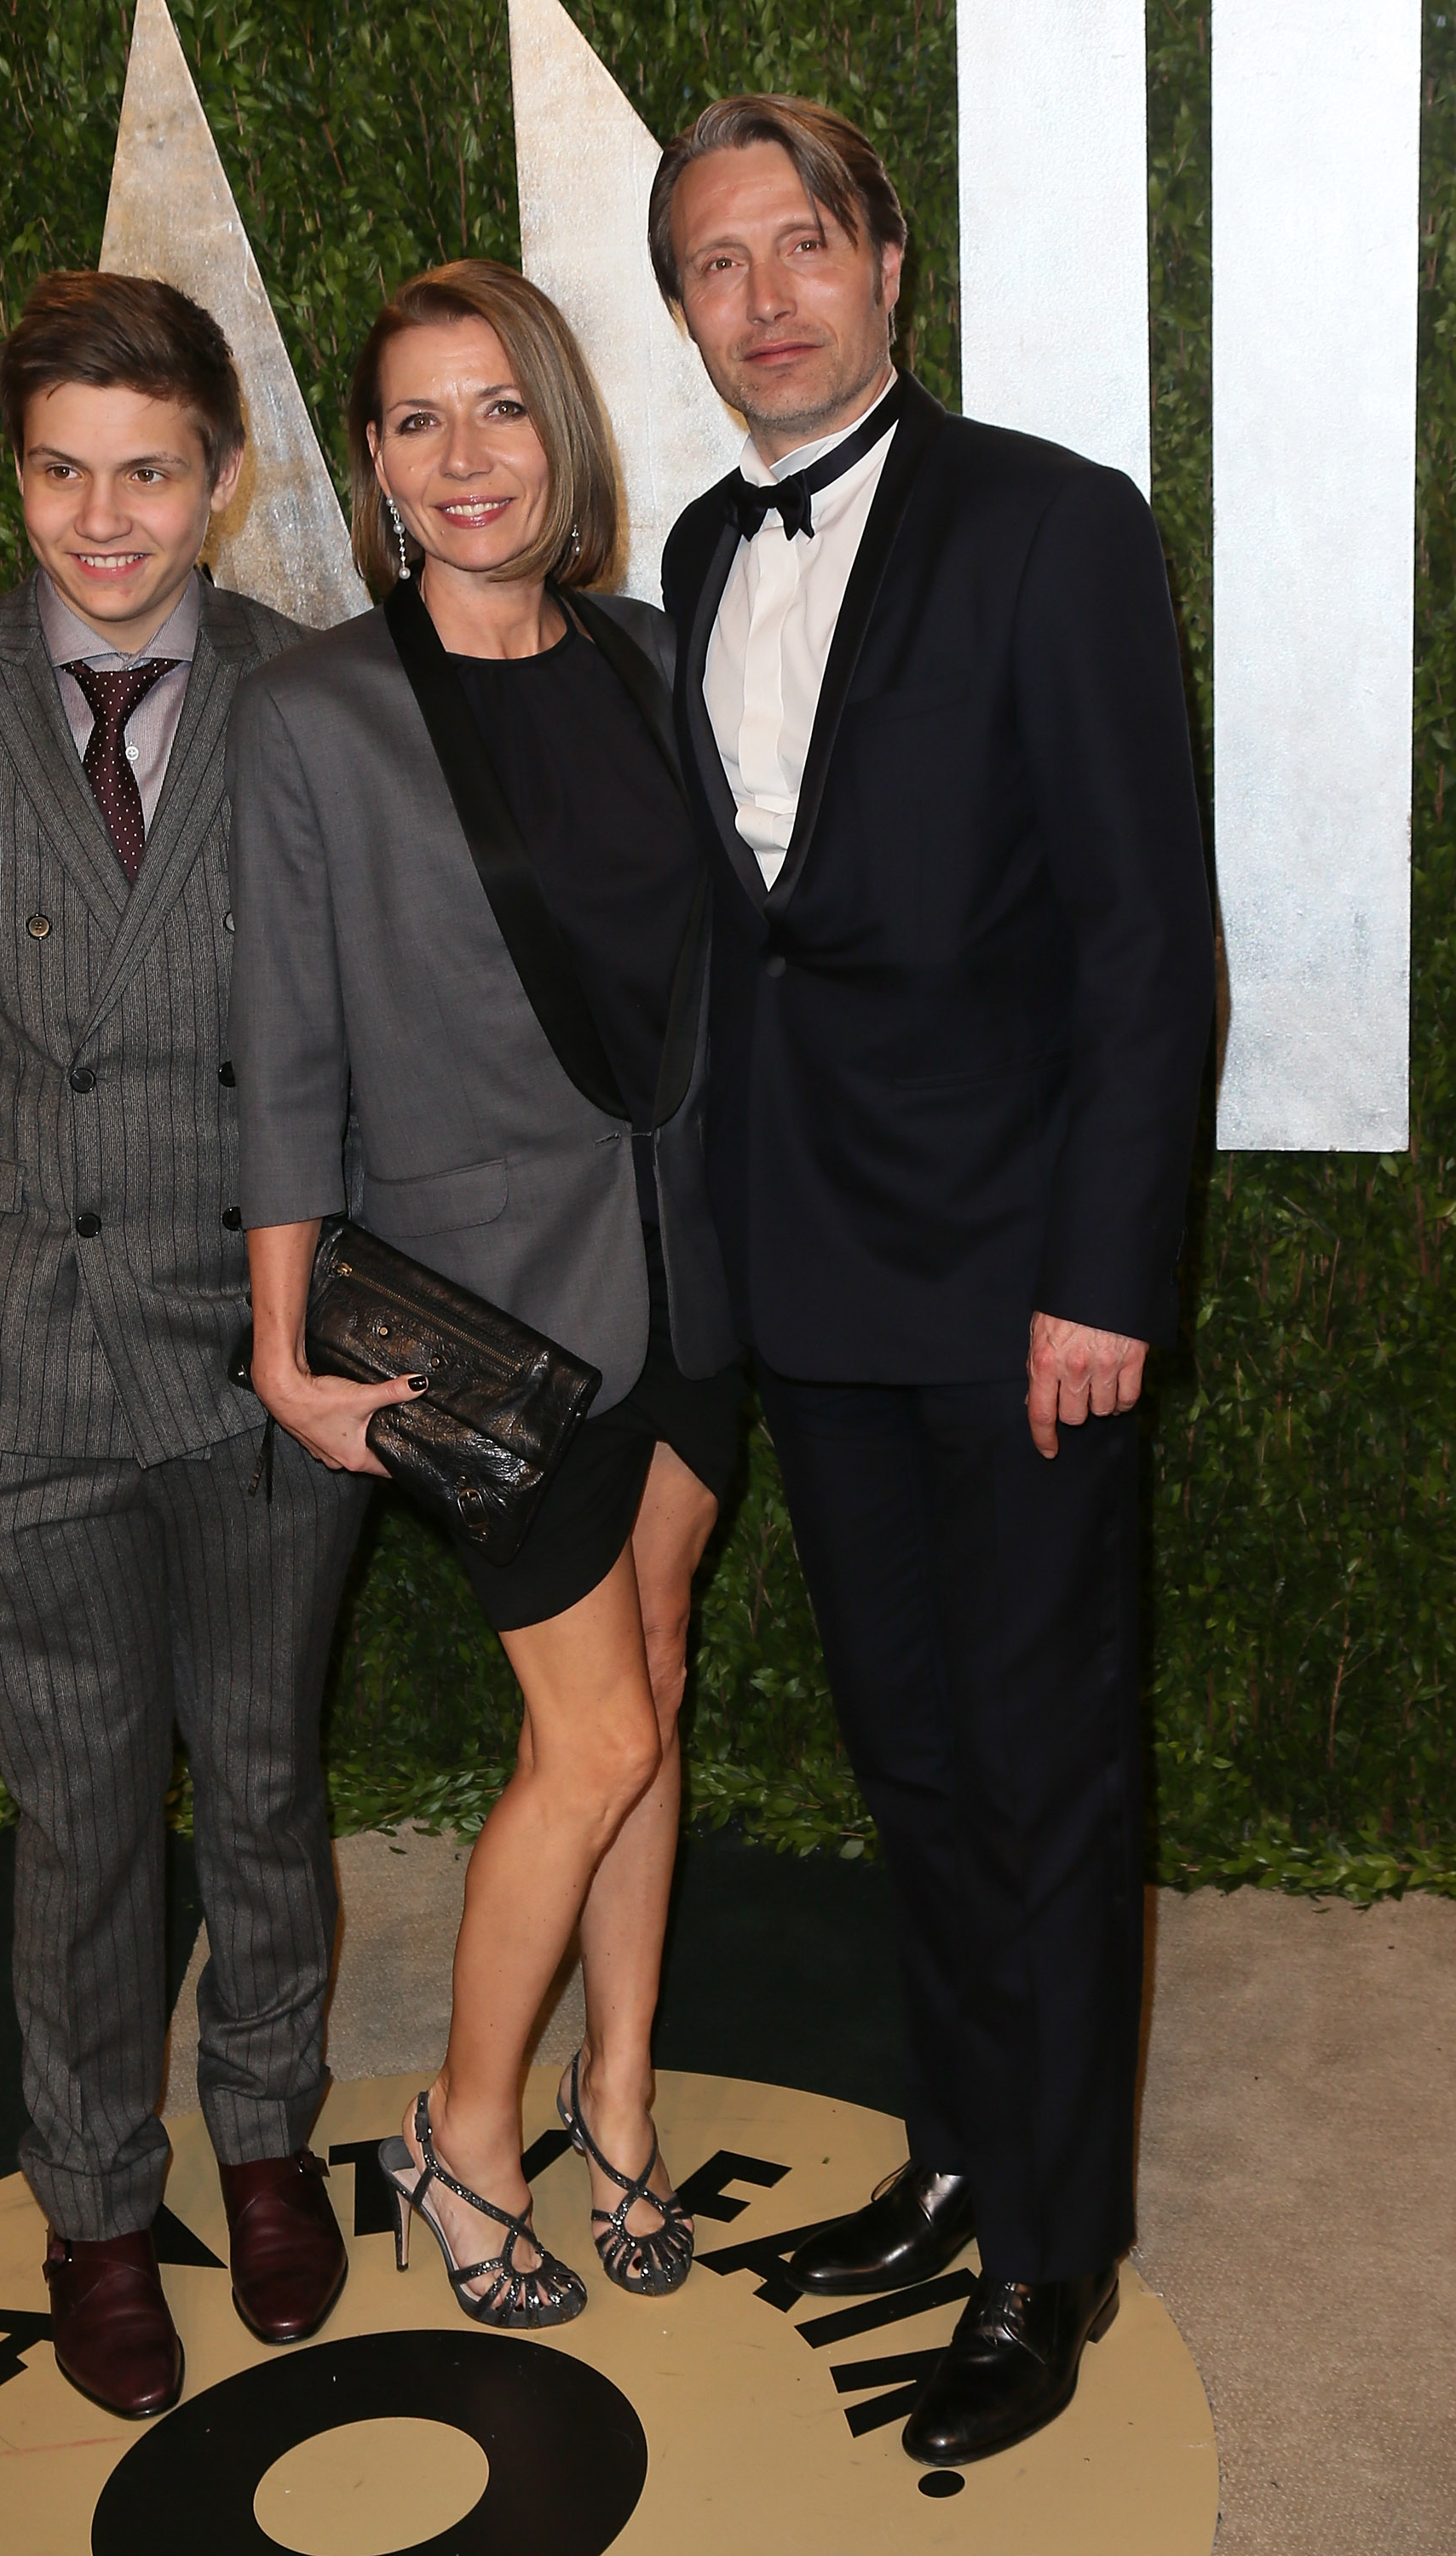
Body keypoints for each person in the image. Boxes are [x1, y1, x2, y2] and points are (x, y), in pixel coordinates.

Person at [651, 99, 1214, 2462]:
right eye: (713, 263)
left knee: (1041, 1767)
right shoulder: (686, 550)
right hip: (802, 1279)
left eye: (803, 244)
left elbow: (1140, 942)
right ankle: (966, 2151)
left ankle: (1052, 2246)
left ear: (890, 264)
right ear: (678, 308)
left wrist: (1101, 1276)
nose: (765, 295)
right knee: (910, 1759)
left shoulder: (1052, 527)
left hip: (1016, 1295)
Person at [0, 271, 368, 2419]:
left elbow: (362, 1053)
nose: (106, 518)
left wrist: (326, 1334)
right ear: (18, 476)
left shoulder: (318, 700)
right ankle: (89, 2203)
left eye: (150, 472)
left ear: (221, 483)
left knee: (256, 1783)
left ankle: (260, 2144)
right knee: (72, 1823)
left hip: (252, 1367)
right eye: (63, 470)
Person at [227, 259, 743, 2327]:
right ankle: (460, 2129)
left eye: (500, 410)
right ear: (369, 465)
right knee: (590, 1735)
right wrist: (282, 1340)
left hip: (696, 1274)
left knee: (664, 1679)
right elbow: (285, 1046)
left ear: (560, 430)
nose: (466, 458)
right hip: (479, 1318)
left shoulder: (644, 658)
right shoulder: (316, 717)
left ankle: (615, 2095)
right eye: (419, 422)